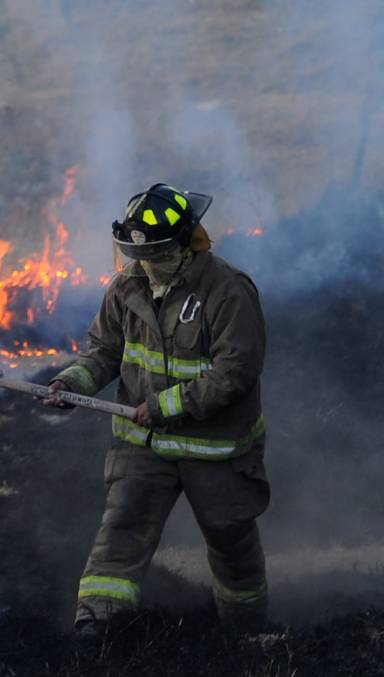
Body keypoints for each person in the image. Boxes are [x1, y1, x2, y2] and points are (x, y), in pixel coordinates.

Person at [43, 183, 270, 636]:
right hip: (143, 446)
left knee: (232, 545)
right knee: (121, 532)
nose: (148, 265)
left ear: (188, 242)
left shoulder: (228, 292)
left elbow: (235, 373)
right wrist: (73, 381)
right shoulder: (127, 287)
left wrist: (165, 406)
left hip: (216, 451)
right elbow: (104, 350)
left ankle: (246, 632)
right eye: (139, 254)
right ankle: (97, 629)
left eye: (160, 253)